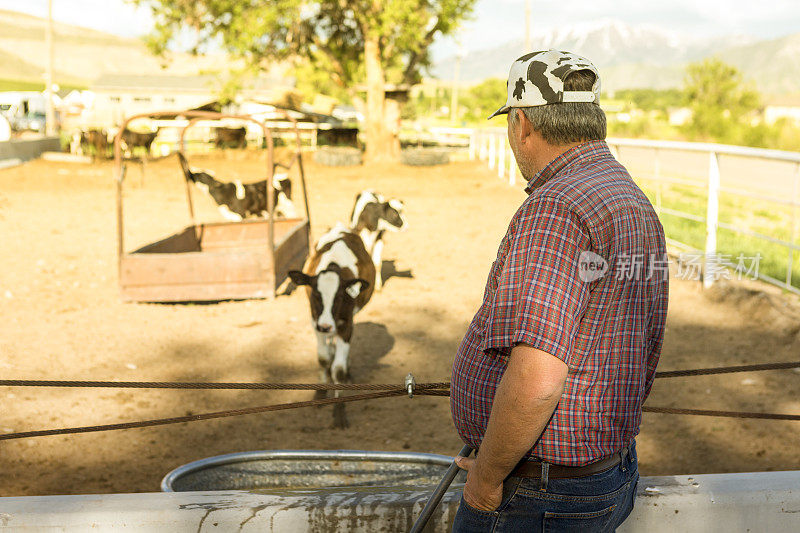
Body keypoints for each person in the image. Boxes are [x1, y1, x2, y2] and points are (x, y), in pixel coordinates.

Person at [450, 50, 669, 532]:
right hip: (601, 473)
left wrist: (486, 479)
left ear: (522, 123)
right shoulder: (622, 191)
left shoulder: (556, 207)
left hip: (539, 494)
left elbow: (538, 374)